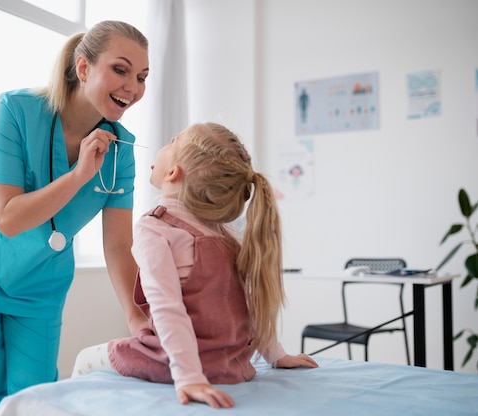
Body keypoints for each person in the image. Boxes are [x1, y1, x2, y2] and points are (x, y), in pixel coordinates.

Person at [0, 20, 150, 416]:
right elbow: (6, 218)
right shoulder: (17, 110)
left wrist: (135, 316)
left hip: (39, 280)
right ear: (83, 68)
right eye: (121, 69)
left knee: (37, 399)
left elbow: (118, 245)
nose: (134, 87)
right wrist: (79, 176)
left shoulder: (121, 151)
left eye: (142, 77)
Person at [72, 122, 318, 409]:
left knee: (84, 358)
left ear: (174, 173)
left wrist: (190, 377)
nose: (163, 144)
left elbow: (168, 310)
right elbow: (254, 307)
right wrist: (276, 356)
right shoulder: (226, 236)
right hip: (232, 365)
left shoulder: (155, 228)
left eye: (172, 141)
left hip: (179, 363)